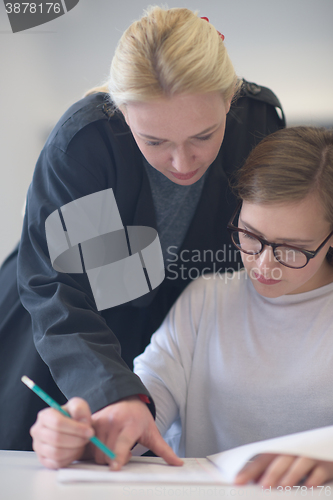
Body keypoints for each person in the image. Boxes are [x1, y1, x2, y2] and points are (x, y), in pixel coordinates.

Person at [0, 6, 284, 459]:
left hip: (173, 331)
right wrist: (109, 389)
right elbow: (59, 286)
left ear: (230, 100)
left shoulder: (259, 124)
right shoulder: (86, 142)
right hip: (63, 328)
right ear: (122, 112)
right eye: (154, 141)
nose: (182, 162)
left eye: (203, 136)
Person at [31, 126, 333, 488]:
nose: (263, 265)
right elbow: (147, 402)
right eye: (250, 236)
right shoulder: (207, 299)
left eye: (292, 249)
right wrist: (87, 432)